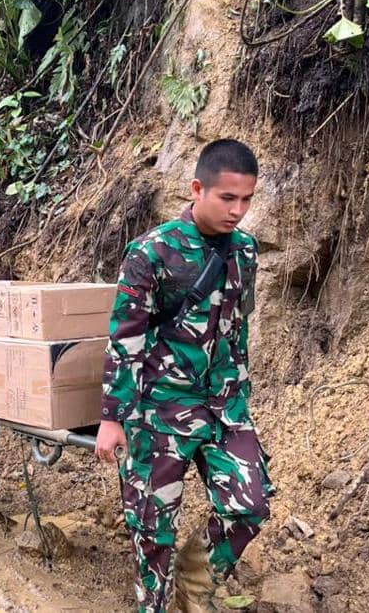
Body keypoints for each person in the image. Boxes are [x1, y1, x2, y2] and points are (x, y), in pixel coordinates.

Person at [95, 139, 274, 613]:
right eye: (227, 198)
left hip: (223, 406)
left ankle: (195, 583)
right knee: (153, 531)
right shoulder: (153, 252)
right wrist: (113, 417)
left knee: (251, 505)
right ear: (198, 189)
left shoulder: (246, 252)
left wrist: (238, 396)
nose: (238, 211)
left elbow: (239, 329)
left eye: (247, 199)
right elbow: (125, 337)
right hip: (160, 408)